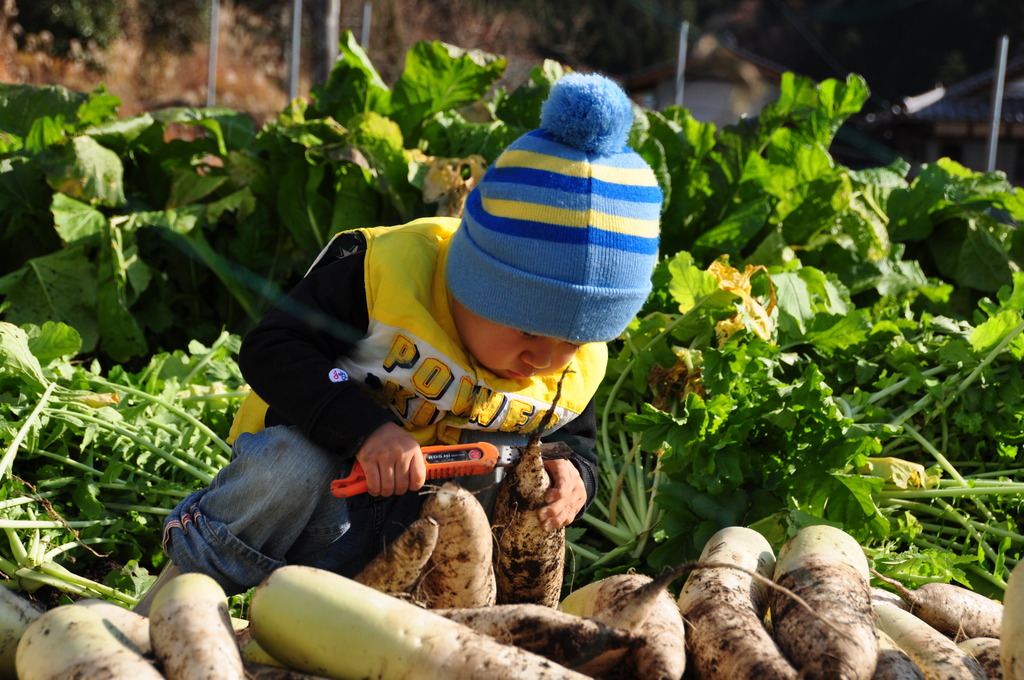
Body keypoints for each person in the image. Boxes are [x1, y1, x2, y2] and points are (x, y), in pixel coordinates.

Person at [140, 72, 663, 605]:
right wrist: (367, 430)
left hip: (424, 549)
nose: (543, 359)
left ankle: (445, 628)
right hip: (319, 503)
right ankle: (177, 600)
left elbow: (576, 440)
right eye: (527, 329)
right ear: (471, 283)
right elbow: (274, 348)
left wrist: (575, 475)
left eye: (572, 343)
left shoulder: (570, 362)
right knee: (293, 464)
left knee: (517, 476)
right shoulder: (385, 276)